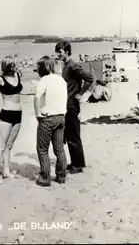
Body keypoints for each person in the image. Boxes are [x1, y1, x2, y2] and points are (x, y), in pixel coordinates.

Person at [55, 40, 94, 174]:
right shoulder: (65, 66)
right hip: (66, 104)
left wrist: (80, 93)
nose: (58, 54)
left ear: (66, 51)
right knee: (69, 135)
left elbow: (90, 78)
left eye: (59, 52)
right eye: (57, 52)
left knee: (74, 135)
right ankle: (75, 163)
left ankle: (79, 165)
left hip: (72, 105)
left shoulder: (73, 66)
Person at [0, 56, 23, 184]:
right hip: (6, 114)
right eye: (12, 65)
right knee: (1, 146)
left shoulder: (18, 75)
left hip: (18, 114)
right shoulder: (0, 80)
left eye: (15, 64)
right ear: (7, 66)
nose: (15, 67)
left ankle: (6, 171)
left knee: (9, 145)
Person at [34, 56, 68, 186]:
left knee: (42, 149)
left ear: (43, 67)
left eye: (38, 67)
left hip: (48, 118)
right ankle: (61, 176)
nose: (37, 69)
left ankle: (45, 177)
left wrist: (38, 114)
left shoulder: (44, 80)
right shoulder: (61, 79)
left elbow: (37, 98)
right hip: (61, 117)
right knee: (59, 148)